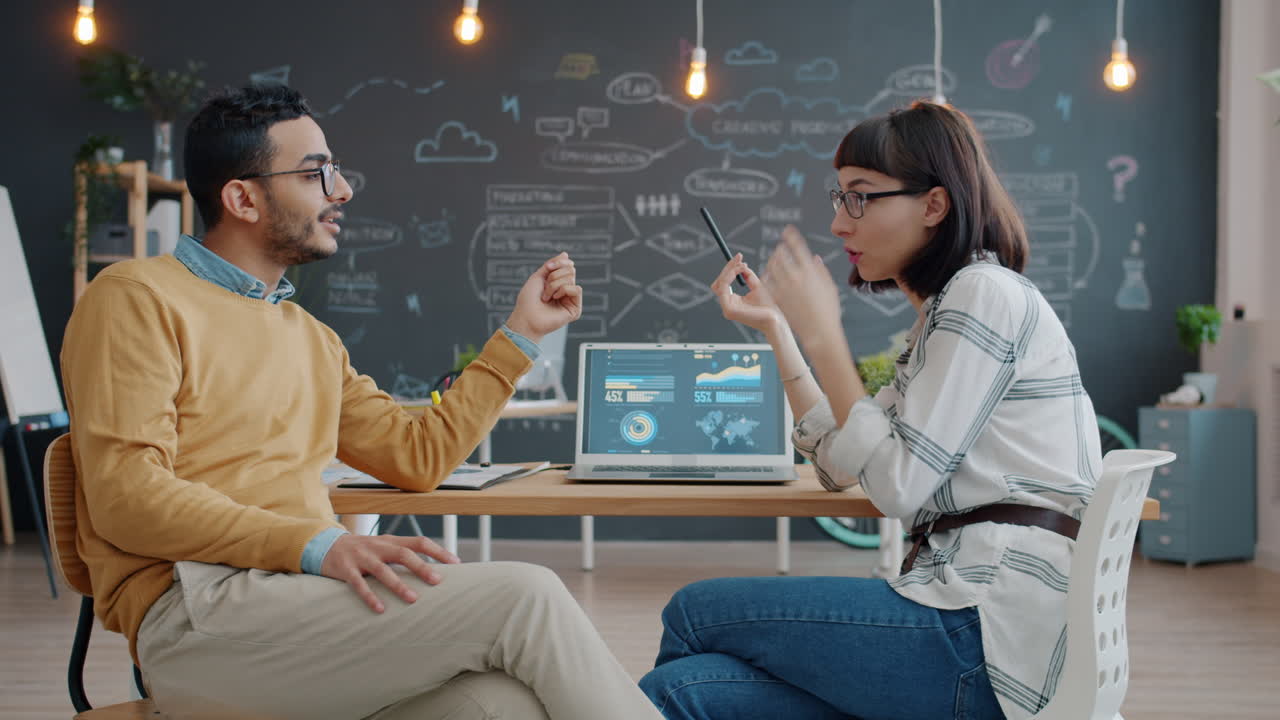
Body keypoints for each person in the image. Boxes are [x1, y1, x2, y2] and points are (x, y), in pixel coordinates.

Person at [60, 84, 662, 720]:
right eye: (318, 172)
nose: (342, 191)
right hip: (198, 615)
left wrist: (522, 335)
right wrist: (319, 545)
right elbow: (127, 499)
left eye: (336, 170)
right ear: (242, 197)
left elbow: (417, 456)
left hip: (303, 609)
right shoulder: (134, 297)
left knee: (503, 706)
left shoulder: (309, 338)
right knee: (526, 596)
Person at [640, 101, 1102, 720]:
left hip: (984, 638)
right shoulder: (941, 319)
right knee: (678, 693)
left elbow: (899, 486)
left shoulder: (982, 296)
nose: (838, 223)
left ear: (933, 206)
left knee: (692, 613)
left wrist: (827, 335)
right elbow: (841, 460)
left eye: (860, 197)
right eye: (839, 198)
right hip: (971, 623)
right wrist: (782, 330)